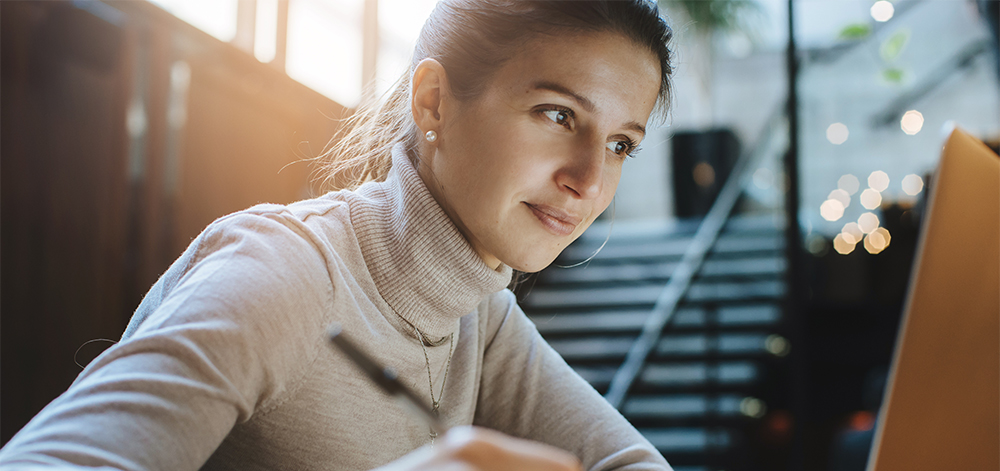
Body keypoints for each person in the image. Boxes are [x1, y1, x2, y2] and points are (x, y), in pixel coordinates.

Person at [0, 0, 674, 469]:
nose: (589, 181)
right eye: (558, 115)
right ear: (434, 102)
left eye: (621, 144)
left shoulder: (483, 317)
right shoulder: (284, 271)